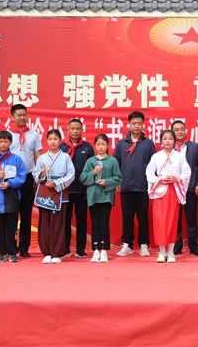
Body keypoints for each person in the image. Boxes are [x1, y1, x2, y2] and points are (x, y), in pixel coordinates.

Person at [113, 111, 157, 257]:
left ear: (143, 125)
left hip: (143, 187)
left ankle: (144, 244)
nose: (136, 126)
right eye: (134, 123)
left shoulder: (148, 143)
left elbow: (154, 165)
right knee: (127, 217)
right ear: (129, 125)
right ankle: (127, 244)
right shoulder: (121, 143)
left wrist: (151, 184)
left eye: (139, 123)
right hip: (125, 187)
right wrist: (117, 182)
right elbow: (116, 164)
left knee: (143, 217)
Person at [0, 130, 27, 263]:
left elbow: (22, 177)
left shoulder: (16, 159)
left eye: (6, 141)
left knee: (11, 226)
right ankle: (1, 253)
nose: (3, 144)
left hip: (11, 198)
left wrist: (9, 183)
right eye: (0, 141)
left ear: (10, 143)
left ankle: (12, 252)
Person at [146, 130, 191, 263]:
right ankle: (162, 252)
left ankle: (171, 252)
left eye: (170, 139)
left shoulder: (179, 156)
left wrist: (176, 178)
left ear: (174, 141)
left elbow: (187, 172)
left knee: (172, 221)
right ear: (161, 141)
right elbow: (149, 173)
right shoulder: (156, 156)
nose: (167, 141)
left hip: (173, 191)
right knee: (159, 221)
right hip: (160, 191)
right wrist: (160, 180)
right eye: (165, 138)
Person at [32, 129, 75, 264]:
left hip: (59, 192)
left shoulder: (65, 157)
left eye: (55, 139)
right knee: (44, 224)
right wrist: (42, 174)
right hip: (45, 192)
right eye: (50, 139)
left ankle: (57, 253)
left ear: (60, 141)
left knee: (58, 224)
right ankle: (47, 252)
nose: (53, 142)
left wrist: (56, 183)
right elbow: (35, 175)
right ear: (46, 141)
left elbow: (71, 175)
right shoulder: (42, 158)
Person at [79, 134, 123, 263]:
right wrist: (93, 173)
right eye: (98, 144)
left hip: (106, 196)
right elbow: (82, 178)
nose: (101, 147)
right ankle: (95, 250)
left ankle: (104, 250)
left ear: (108, 145)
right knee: (95, 224)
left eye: (103, 144)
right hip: (93, 196)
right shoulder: (90, 161)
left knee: (104, 223)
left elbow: (118, 178)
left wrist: (107, 182)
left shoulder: (112, 161)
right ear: (95, 146)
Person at [9, 104, 43, 258]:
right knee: (11, 214)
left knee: (26, 214)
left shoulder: (33, 135)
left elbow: (38, 157)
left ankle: (24, 247)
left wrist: (37, 177)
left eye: (24, 115)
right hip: (12, 179)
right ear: (12, 117)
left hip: (29, 178)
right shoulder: (7, 135)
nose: (22, 118)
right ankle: (11, 246)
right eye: (19, 115)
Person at [60, 118, 94, 258]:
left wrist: (89, 187)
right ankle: (65, 248)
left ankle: (81, 249)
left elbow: (92, 169)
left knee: (81, 220)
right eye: (72, 128)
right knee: (65, 220)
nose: (75, 131)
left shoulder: (88, 147)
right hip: (65, 190)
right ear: (67, 130)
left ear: (82, 130)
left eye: (78, 128)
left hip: (82, 190)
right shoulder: (61, 147)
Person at [171, 120, 198, 256]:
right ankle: (177, 245)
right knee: (176, 219)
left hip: (190, 187)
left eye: (182, 129)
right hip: (174, 188)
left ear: (185, 131)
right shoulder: (168, 147)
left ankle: (193, 246)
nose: (179, 131)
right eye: (176, 129)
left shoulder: (193, 146)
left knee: (191, 218)